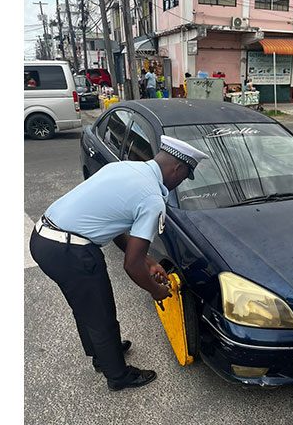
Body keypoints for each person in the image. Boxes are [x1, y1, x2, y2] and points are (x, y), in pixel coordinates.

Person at [29, 136, 209, 391]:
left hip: (44, 238)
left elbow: (114, 228)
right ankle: (118, 376)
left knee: (86, 306)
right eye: (184, 177)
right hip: (70, 250)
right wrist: (157, 291)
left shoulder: (125, 168)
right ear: (176, 169)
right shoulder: (152, 199)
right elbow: (130, 266)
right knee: (99, 313)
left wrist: (148, 262)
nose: (180, 183)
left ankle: (104, 354)